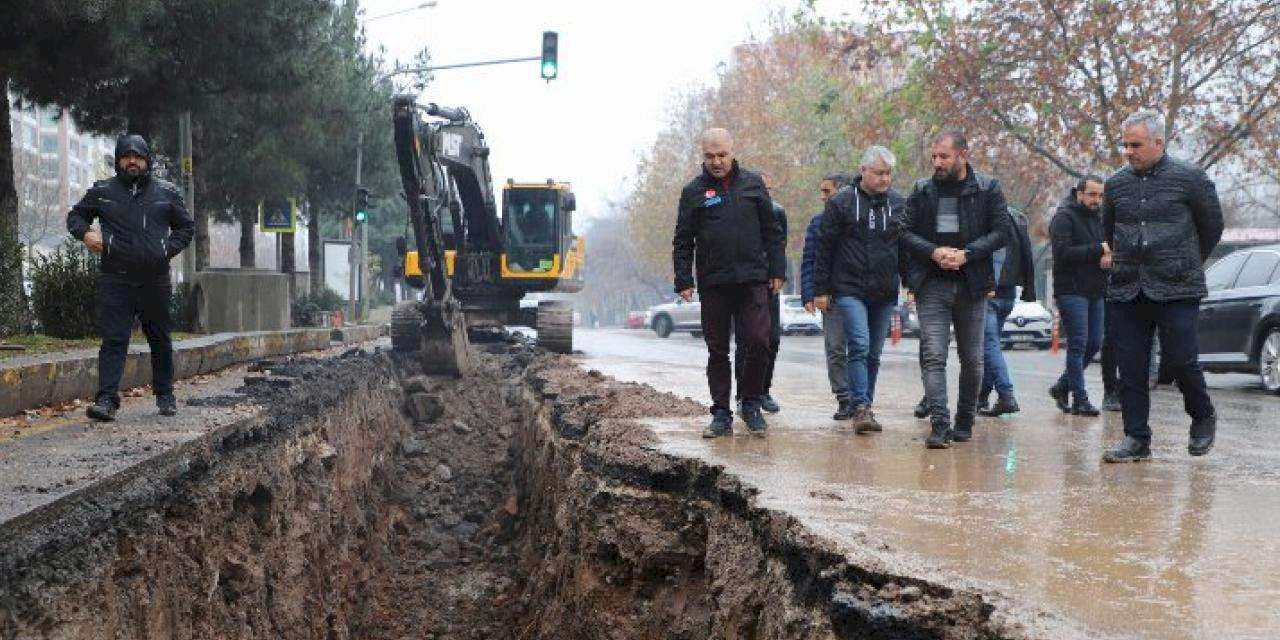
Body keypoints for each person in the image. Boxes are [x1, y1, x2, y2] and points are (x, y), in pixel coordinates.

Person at [1101, 110, 1223, 462]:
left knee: (1180, 361)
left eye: (1135, 144)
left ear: (1158, 142)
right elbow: (1108, 230)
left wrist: (1183, 260)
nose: (1128, 151)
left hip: (1178, 287)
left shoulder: (1190, 179)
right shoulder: (1116, 185)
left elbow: (1211, 227)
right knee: (1131, 367)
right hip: (1128, 287)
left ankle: (1202, 416)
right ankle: (1136, 438)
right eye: (1124, 144)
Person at [67, 134, 194, 421]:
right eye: (126, 156)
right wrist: (86, 234)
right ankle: (106, 400)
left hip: (154, 279)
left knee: (160, 339)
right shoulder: (102, 191)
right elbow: (75, 217)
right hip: (116, 278)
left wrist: (166, 250)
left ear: (147, 160)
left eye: (138, 156)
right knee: (114, 339)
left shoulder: (167, 192)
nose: (132, 161)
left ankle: (165, 395)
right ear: (118, 161)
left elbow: (186, 228)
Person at [899, 130, 1010, 449]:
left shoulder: (988, 188)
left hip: (972, 283)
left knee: (972, 359)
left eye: (943, 156)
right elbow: (904, 232)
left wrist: (968, 254)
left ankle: (964, 421)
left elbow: (1003, 232)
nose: (937, 162)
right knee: (933, 354)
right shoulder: (922, 190)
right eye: (934, 156)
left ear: (963, 155)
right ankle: (939, 424)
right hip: (931, 283)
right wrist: (933, 251)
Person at [673, 128, 785, 438]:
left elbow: (772, 231)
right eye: (710, 156)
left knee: (760, 342)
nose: (716, 161)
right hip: (714, 283)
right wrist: (683, 278)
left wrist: (777, 270)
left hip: (753, 280)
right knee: (718, 350)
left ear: (732, 152)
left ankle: (750, 402)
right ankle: (721, 413)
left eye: (721, 155)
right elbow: (683, 239)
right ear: (703, 156)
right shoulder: (693, 191)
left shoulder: (753, 184)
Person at [813, 147, 906, 434]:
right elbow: (825, 248)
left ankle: (865, 405)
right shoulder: (841, 202)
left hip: (884, 290)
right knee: (860, 345)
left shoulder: (899, 203)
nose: (884, 179)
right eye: (879, 173)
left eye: (888, 173)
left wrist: (911, 283)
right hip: (849, 288)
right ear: (863, 170)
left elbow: (904, 247)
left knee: (874, 354)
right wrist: (821, 290)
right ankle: (861, 407)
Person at [1047, 176, 1108, 416]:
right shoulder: (1064, 217)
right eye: (1092, 195)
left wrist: (1107, 257)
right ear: (1079, 193)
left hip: (1096, 289)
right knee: (1078, 344)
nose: (1097, 200)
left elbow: (1107, 248)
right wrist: (1099, 250)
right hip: (1071, 290)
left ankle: (1062, 386)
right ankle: (1080, 399)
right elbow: (1063, 254)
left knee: (1094, 343)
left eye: (1100, 196)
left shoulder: (1100, 218)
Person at [734, 172, 787, 413]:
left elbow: (779, 245)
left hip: (768, 285)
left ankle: (763, 390)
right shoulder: (737, 211)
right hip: (745, 283)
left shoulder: (777, 212)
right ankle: (743, 392)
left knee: (770, 340)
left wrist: (778, 274)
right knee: (746, 341)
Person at [801, 173, 853, 419]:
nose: (822, 196)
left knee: (861, 349)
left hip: (859, 293)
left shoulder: (859, 218)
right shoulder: (817, 222)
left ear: (841, 192)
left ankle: (861, 398)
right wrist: (809, 293)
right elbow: (809, 259)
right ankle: (844, 398)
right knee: (835, 348)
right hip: (829, 296)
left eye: (826, 191)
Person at [977, 206, 1038, 416]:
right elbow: (1027, 254)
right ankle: (982, 396)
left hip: (989, 291)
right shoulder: (1016, 217)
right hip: (1008, 292)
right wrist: (1029, 288)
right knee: (990, 346)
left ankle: (1006, 395)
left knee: (988, 345)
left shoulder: (985, 214)